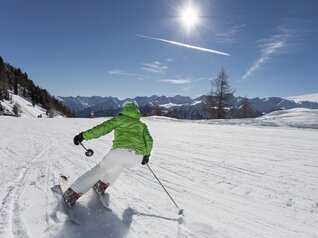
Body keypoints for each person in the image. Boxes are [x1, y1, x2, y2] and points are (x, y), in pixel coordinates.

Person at [63, 100, 153, 208]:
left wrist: (83, 136)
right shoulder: (141, 125)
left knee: (100, 169)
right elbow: (149, 141)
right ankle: (101, 185)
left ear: (124, 108)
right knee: (119, 165)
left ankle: (72, 193)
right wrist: (146, 155)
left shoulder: (119, 119)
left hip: (120, 152)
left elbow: (102, 128)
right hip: (137, 158)